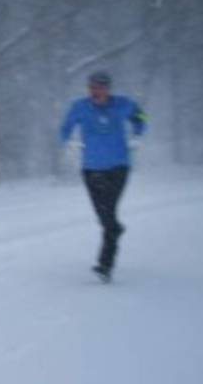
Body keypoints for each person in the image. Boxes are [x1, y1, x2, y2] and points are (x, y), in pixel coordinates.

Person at [60, 70, 147, 282]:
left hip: (118, 166)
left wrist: (137, 134)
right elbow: (65, 127)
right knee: (103, 216)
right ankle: (115, 229)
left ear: (108, 88)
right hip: (91, 168)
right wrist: (68, 142)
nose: (96, 91)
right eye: (92, 87)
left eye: (100, 87)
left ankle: (105, 265)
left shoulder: (122, 104)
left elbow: (141, 117)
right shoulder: (80, 107)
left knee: (108, 213)